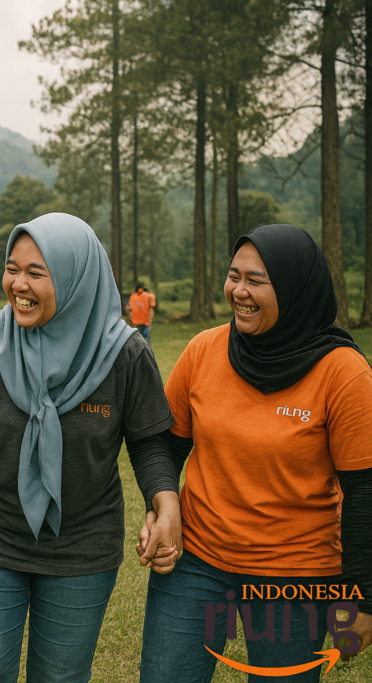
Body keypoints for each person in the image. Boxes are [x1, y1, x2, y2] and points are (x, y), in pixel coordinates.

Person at [0, 213, 182, 683]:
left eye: (36, 273)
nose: (18, 284)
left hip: (82, 548)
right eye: (12, 268)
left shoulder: (125, 354)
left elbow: (150, 444)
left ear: (75, 277)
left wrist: (165, 504)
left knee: (63, 677)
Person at [139, 224, 372, 682]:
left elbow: (364, 492)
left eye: (256, 281)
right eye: (233, 275)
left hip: (293, 579)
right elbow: (163, 444)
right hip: (196, 565)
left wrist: (362, 598)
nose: (239, 292)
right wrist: (162, 505)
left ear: (293, 287)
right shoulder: (204, 350)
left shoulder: (344, 373)